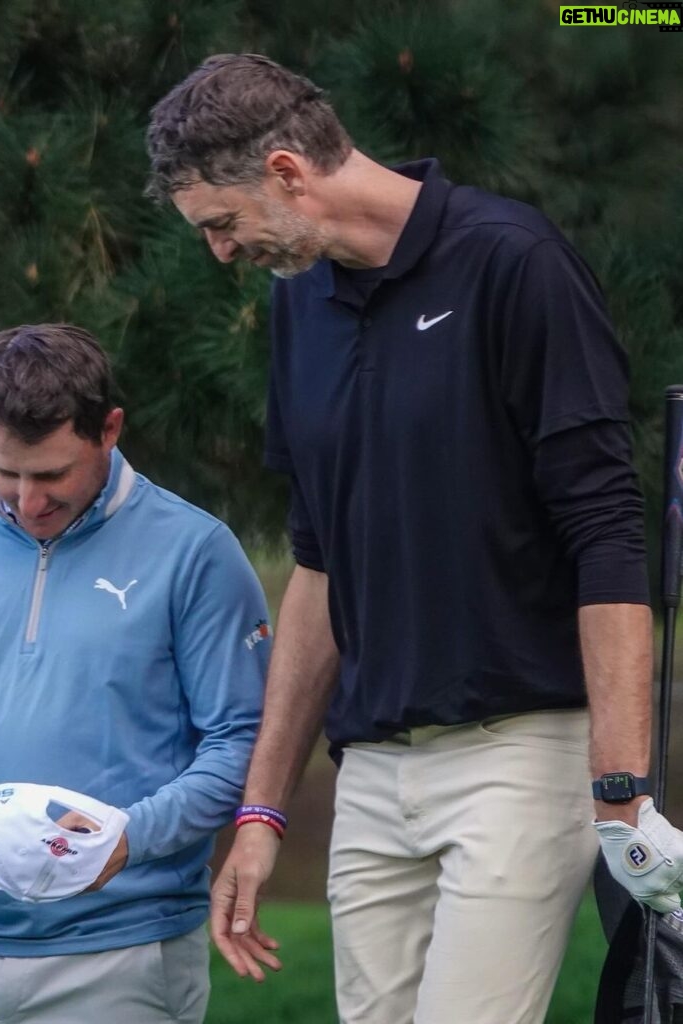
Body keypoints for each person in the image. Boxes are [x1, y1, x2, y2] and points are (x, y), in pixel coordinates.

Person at [145, 54, 683, 1024]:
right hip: (372, 774)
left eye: (220, 225)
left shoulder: (514, 263)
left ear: (284, 172)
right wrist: (263, 811)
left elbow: (608, 537)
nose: (219, 253)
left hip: (520, 752)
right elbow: (317, 560)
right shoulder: (296, 302)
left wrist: (621, 794)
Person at [0, 323, 272, 1024]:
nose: (27, 500)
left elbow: (241, 740)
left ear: (108, 430)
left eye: (51, 475)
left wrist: (130, 835)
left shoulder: (196, 551)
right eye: (4, 471)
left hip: (120, 960)